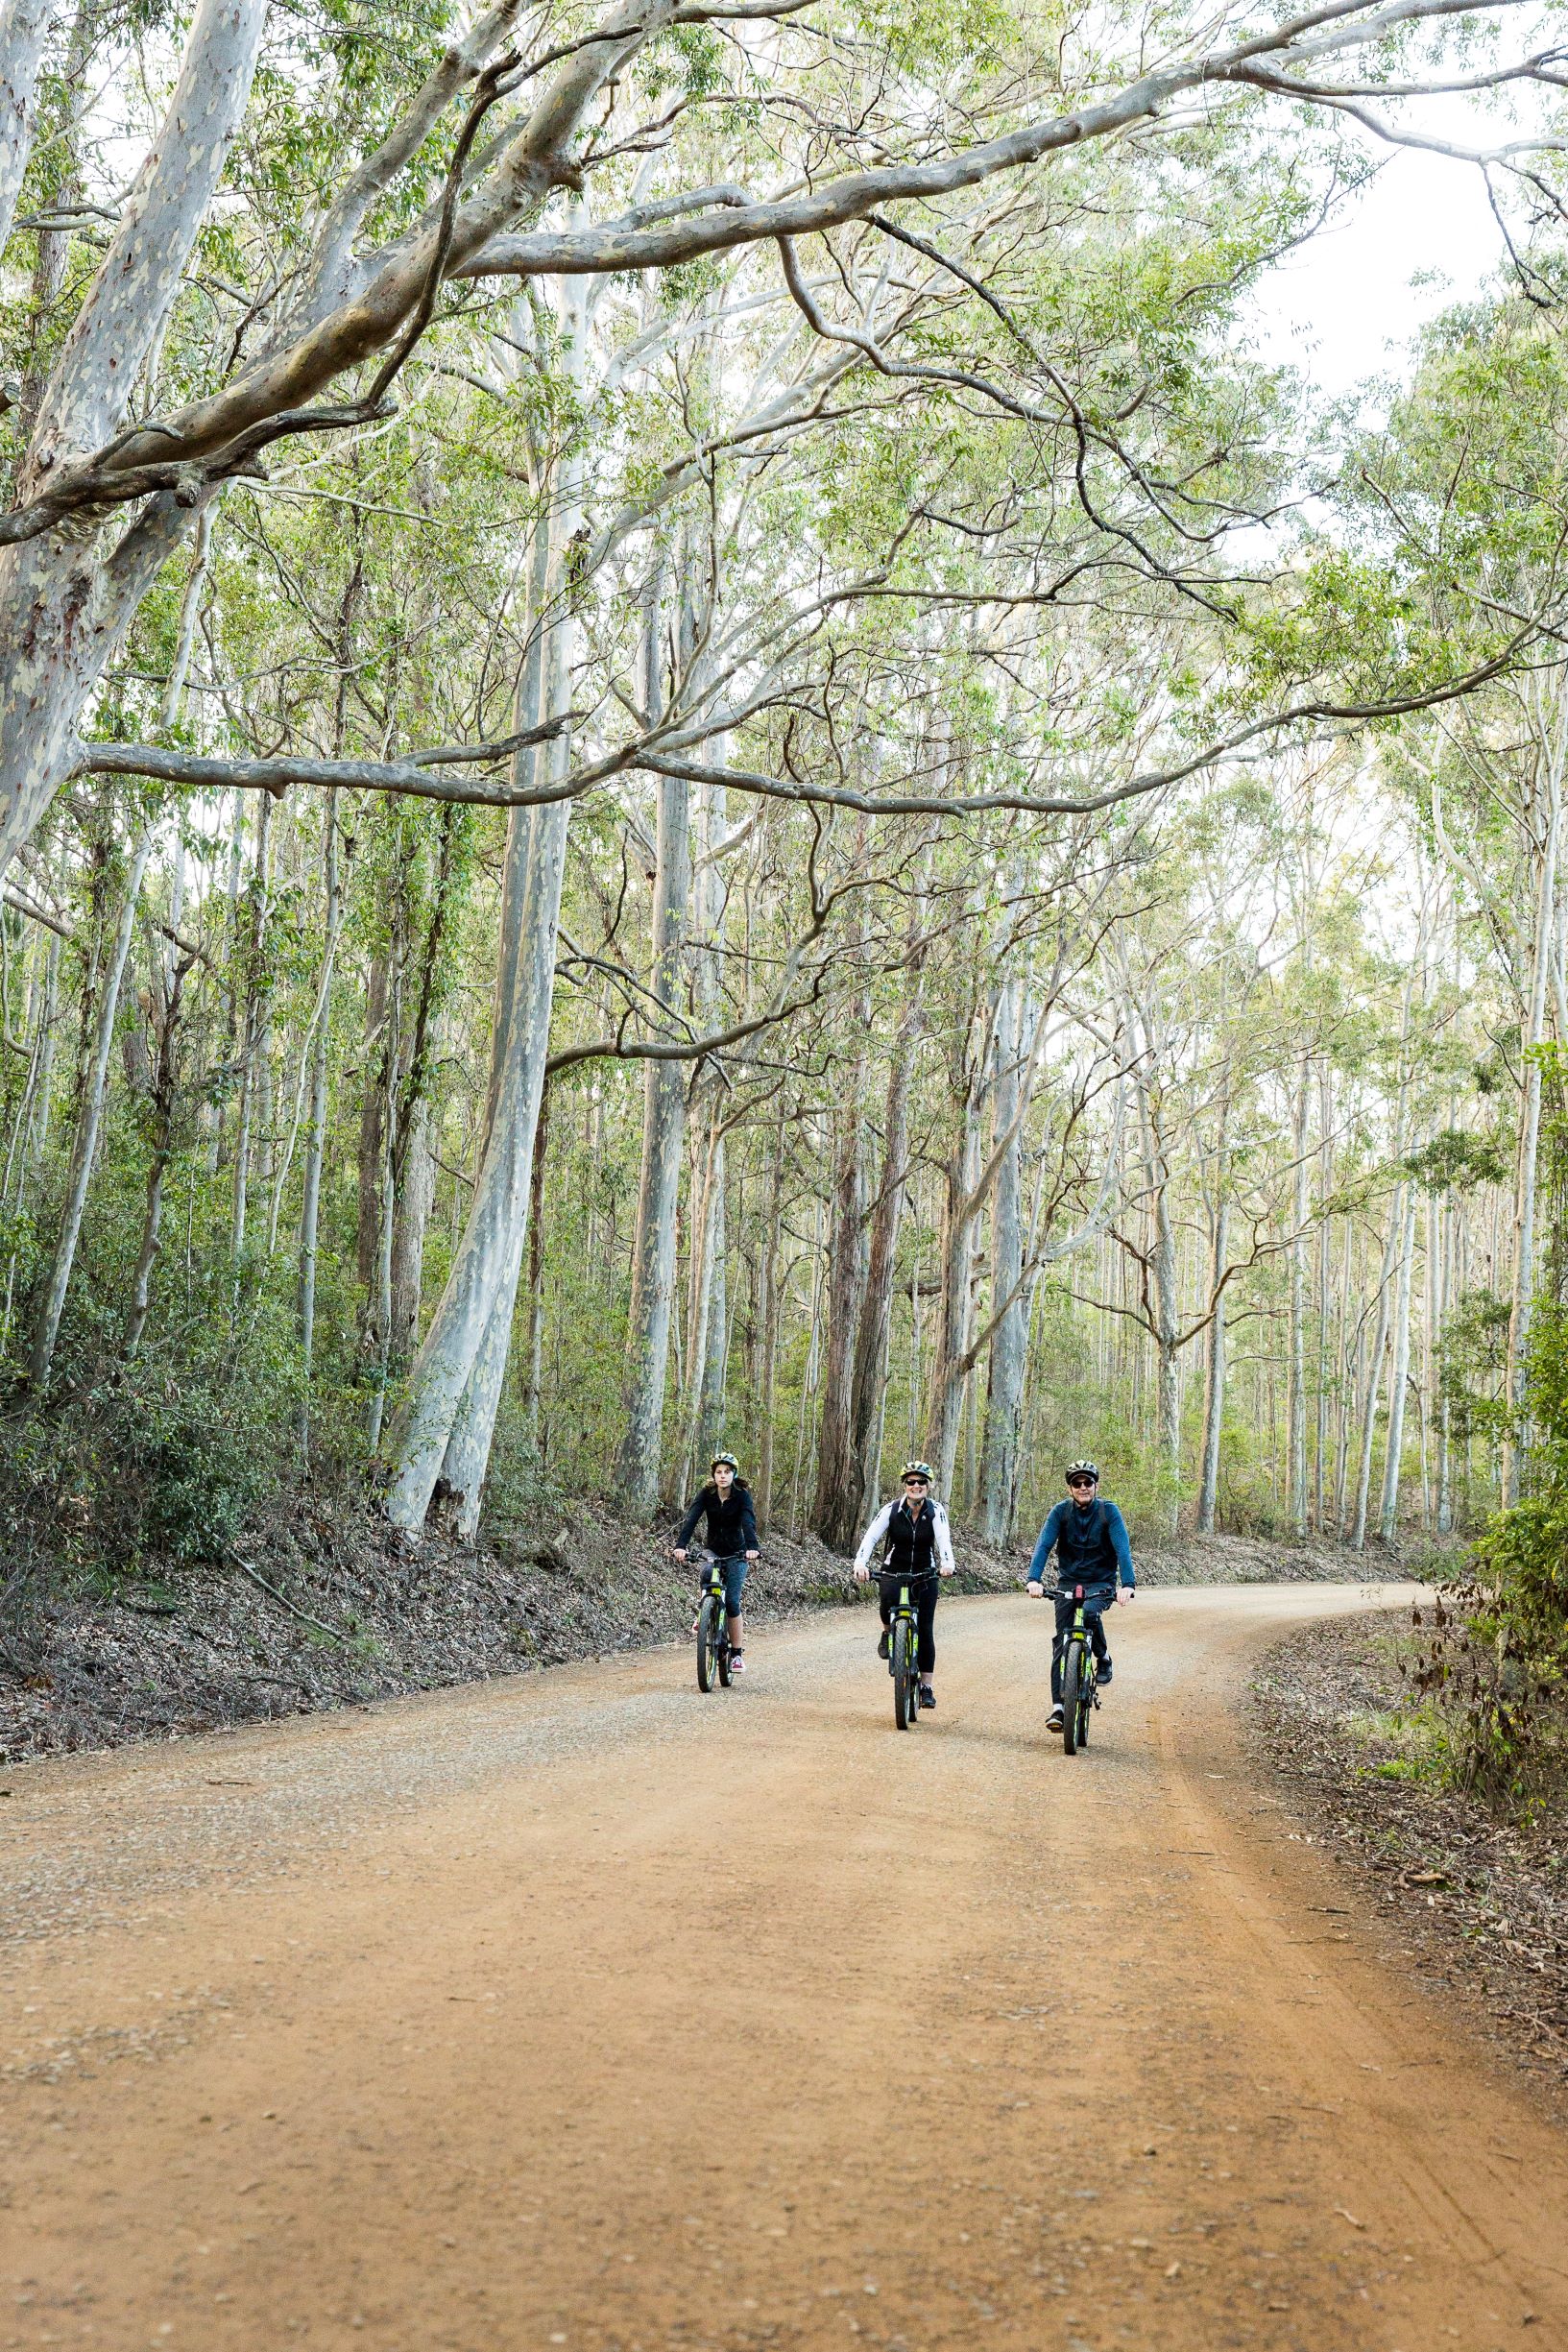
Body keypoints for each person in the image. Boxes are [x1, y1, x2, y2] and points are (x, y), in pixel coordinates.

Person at [1026, 1459, 1135, 1731]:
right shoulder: (1060, 1512)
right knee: (1062, 1641)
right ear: (1070, 1488)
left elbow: (1123, 1550)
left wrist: (1128, 1584)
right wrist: (1034, 1579)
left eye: (1088, 1482)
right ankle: (1059, 1708)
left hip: (1101, 1583)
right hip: (1069, 1582)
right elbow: (1043, 1546)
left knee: (1089, 1612)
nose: (1083, 1487)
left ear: (1096, 1485)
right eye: (1077, 1483)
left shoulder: (1108, 1512)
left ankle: (1103, 1657)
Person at [853, 1461, 955, 1711]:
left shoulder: (936, 1510)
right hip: (894, 1569)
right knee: (886, 1602)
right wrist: (860, 1563)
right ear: (905, 1485)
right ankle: (888, 1632)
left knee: (927, 1629)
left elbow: (943, 1539)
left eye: (921, 1482)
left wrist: (947, 1563)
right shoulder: (891, 1509)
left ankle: (927, 1687)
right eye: (911, 1482)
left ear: (928, 1486)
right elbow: (871, 1536)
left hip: (924, 1572)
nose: (916, 1486)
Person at [674, 1452, 760, 1673]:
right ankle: (704, 1612)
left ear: (734, 1474)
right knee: (706, 1573)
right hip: (712, 1549)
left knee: (731, 1601)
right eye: (719, 1472)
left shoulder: (742, 1496)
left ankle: (737, 1655)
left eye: (727, 1472)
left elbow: (748, 1521)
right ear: (714, 1474)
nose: (723, 1476)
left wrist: (752, 1548)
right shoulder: (707, 1493)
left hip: (737, 1552)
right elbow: (691, 1518)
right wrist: (681, 1546)